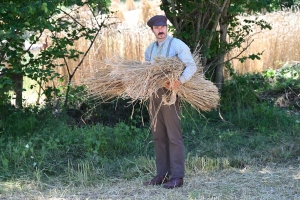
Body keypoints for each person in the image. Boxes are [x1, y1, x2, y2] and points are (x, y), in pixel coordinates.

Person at [143, 15, 197, 189]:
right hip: (154, 95)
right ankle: (162, 174)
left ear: (167, 27)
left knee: (174, 136)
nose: (160, 30)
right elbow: (146, 72)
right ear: (152, 30)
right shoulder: (150, 50)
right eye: (157, 28)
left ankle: (177, 177)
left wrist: (179, 81)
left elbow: (192, 66)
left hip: (171, 94)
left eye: (163, 27)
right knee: (158, 136)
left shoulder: (177, 45)